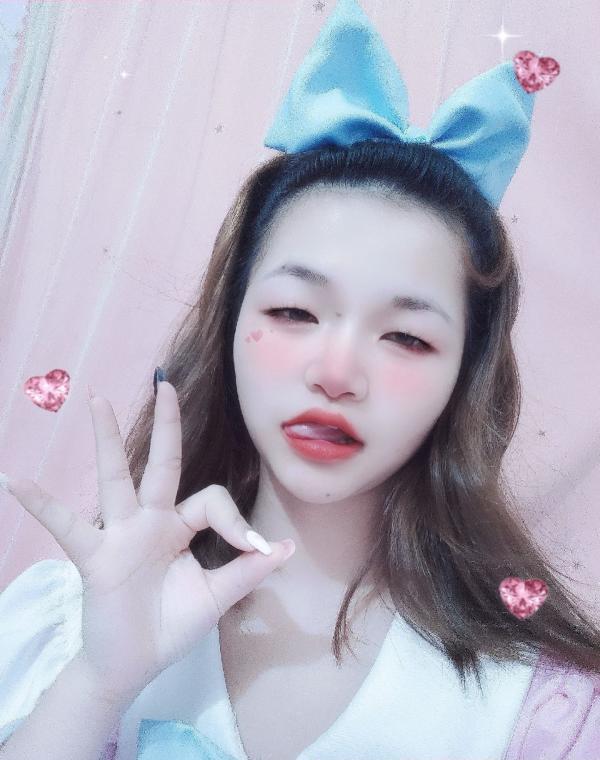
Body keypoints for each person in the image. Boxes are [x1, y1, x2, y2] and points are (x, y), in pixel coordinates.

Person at [1, 1, 599, 759]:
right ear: (228, 324)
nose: (336, 373)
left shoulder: (537, 709)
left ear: (464, 377)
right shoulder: (68, 629)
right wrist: (96, 685)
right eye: (293, 312)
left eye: (406, 337)